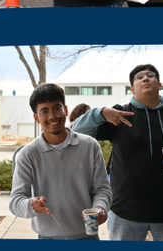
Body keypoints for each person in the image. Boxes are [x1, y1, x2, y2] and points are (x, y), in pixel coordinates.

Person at [74, 62, 163, 241]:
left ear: (159, 85)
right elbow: (76, 133)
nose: (145, 78)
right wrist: (101, 113)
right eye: (139, 77)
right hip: (124, 211)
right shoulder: (120, 114)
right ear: (132, 89)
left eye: (151, 75)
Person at [9, 84, 111, 240]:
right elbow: (16, 201)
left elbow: (102, 189)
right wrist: (31, 204)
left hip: (88, 236)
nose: (52, 116)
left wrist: (100, 207)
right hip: (47, 238)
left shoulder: (90, 146)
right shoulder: (28, 154)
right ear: (36, 118)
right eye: (44, 111)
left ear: (66, 110)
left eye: (57, 109)